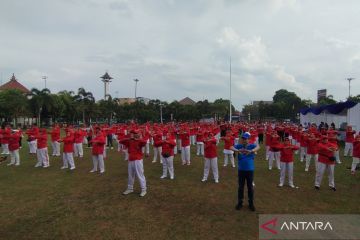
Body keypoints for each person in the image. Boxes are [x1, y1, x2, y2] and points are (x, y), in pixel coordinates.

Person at [231, 132, 260, 211]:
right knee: (240, 187)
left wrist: (251, 151)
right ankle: (240, 202)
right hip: (241, 170)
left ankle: (251, 203)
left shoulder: (251, 145)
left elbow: (258, 147)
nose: (244, 140)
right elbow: (231, 147)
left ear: (248, 139)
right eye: (243, 138)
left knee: (250, 187)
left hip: (250, 170)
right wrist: (238, 150)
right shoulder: (239, 146)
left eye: (245, 139)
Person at [121, 130, 147, 197]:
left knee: (140, 175)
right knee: (130, 175)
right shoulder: (129, 140)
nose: (132, 135)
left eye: (133, 134)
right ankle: (130, 188)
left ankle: (144, 189)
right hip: (131, 159)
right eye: (131, 134)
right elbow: (121, 141)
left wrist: (138, 138)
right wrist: (130, 138)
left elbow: (145, 142)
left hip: (138, 160)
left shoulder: (139, 141)